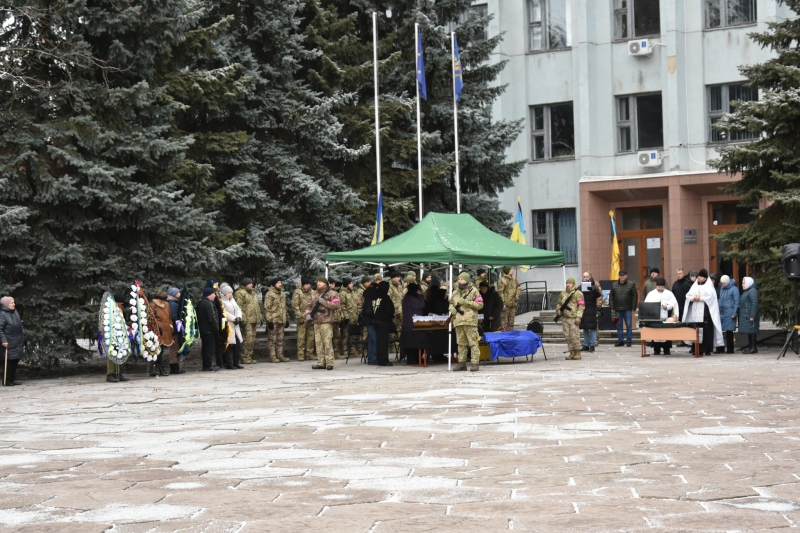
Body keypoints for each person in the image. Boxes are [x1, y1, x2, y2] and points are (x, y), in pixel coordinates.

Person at [683, 269, 723, 356]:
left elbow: (711, 298)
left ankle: (707, 349)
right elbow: (688, 295)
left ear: (705, 278)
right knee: (696, 330)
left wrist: (700, 298)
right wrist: (694, 298)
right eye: (699, 276)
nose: (699, 278)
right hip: (696, 313)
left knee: (706, 331)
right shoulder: (695, 285)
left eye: (701, 277)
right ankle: (696, 348)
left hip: (705, 312)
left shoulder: (709, 286)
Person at [449, 273, 484, 372]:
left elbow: (480, 304)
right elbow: (451, 303)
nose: (460, 281)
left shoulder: (474, 291)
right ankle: (462, 363)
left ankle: (475, 363)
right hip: (458, 321)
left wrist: (466, 303)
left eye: (462, 279)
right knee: (461, 344)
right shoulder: (455, 291)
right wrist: (451, 308)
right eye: (459, 279)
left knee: (473, 343)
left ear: (467, 280)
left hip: (470, 321)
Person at [305, 276, 340, 370]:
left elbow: (337, 305)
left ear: (325, 284)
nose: (318, 283)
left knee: (327, 342)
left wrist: (325, 303)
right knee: (318, 343)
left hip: (326, 322)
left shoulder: (332, 293)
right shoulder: (314, 294)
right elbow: (308, 306)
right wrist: (308, 314)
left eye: (320, 282)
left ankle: (329, 363)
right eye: (317, 281)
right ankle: (321, 362)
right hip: (316, 322)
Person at [644, 278, 679, 355]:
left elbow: (673, 304)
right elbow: (646, 304)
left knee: (666, 333)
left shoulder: (669, 294)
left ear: (664, 286)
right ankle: (656, 349)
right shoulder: (651, 294)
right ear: (656, 286)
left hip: (665, 316)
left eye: (661, 287)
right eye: (658, 287)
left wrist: (667, 307)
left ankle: (666, 349)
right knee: (656, 333)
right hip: (655, 317)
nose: (660, 288)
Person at [234, 278, 262, 364]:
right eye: (250, 284)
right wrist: (243, 319)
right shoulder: (240, 293)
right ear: (245, 284)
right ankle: (244, 357)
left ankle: (249, 356)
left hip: (254, 319)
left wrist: (260, 317)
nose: (252, 285)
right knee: (247, 339)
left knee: (252, 339)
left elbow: (257, 306)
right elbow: (239, 307)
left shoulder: (253, 293)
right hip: (247, 320)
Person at [556, 278, 585, 360]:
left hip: (573, 318)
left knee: (574, 335)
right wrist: (558, 310)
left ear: (573, 284)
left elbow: (581, 306)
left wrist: (578, 317)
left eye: (569, 283)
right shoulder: (563, 293)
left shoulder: (578, 293)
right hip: (565, 318)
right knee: (567, 336)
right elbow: (559, 303)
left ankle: (578, 352)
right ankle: (571, 352)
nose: (568, 284)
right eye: (567, 283)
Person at [0, 297, 25, 386]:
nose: (14, 304)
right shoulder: (2, 314)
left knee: (15, 360)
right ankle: (7, 380)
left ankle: (13, 379)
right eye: (11, 303)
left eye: (13, 302)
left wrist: (23, 333)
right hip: (8, 342)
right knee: (9, 362)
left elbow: (20, 324)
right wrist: (3, 340)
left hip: (17, 340)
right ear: (6, 304)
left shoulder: (15, 312)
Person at [370, 281, 395, 366]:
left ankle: (379, 359)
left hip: (375, 320)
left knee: (379, 341)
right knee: (383, 342)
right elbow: (390, 310)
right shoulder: (385, 297)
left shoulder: (374, 296)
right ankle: (383, 360)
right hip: (384, 321)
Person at [264, 278, 289, 363]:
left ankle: (280, 355)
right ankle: (272, 356)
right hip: (274, 320)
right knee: (272, 339)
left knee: (280, 339)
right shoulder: (270, 294)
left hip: (281, 320)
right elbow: (267, 308)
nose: (280, 284)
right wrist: (269, 320)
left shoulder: (282, 294)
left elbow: (285, 307)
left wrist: (287, 318)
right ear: (274, 284)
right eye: (278, 283)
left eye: (281, 282)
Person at [609, 270, 637, 347]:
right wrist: (612, 307)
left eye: (623, 275)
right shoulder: (614, 284)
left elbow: (635, 296)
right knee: (619, 325)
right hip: (617, 308)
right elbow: (611, 297)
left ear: (626, 276)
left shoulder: (631, 284)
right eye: (620, 275)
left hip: (627, 308)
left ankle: (629, 340)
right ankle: (620, 340)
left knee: (628, 325)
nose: (622, 277)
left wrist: (633, 307)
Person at [219, 283, 244, 369]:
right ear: (224, 293)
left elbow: (238, 309)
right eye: (229, 292)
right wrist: (234, 318)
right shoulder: (222, 301)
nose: (231, 294)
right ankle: (229, 364)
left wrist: (238, 317)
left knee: (238, 345)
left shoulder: (232, 300)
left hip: (236, 326)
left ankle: (236, 362)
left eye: (231, 292)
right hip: (228, 326)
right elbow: (224, 312)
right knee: (228, 345)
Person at [150, 291, 174, 377]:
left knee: (162, 350)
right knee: (157, 350)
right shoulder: (153, 305)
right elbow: (151, 317)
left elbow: (170, 316)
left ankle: (157, 368)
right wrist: (157, 326)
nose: (163, 302)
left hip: (166, 329)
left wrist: (170, 325)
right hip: (158, 330)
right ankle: (157, 368)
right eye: (162, 300)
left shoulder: (167, 305)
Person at [401, 283, 425, 365]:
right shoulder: (412, 298)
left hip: (408, 323)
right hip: (413, 324)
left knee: (410, 343)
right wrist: (421, 297)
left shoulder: (406, 297)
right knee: (414, 343)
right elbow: (421, 306)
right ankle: (414, 359)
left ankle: (413, 359)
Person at [291, 278, 315, 362]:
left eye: (309, 284)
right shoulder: (298, 292)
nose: (309, 285)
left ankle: (309, 354)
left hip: (311, 318)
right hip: (302, 318)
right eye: (307, 284)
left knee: (311, 337)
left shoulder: (312, 292)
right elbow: (295, 306)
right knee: (301, 337)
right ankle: (300, 354)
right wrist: (299, 317)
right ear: (303, 285)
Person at [196, 287, 219, 371]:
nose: (214, 296)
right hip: (209, 329)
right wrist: (216, 329)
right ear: (208, 295)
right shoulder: (208, 304)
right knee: (209, 348)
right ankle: (207, 365)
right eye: (213, 294)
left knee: (205, 347)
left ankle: (206, 364)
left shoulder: (201, 302)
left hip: (203, 329)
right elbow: (212, 318)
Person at [580, 272, 602, 353]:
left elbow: (598, 294)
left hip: (592, 309)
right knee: (585, 328)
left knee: (592, 328)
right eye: (584, 276)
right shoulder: (581, 286)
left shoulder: (594, 285)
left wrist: (592, 289)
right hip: (583, 310)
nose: (586, 278)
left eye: (587, 276)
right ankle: (586, 344)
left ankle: (592, 345)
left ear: (590, 277)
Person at [718, 275, 739, 354]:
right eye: (722, 283)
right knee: (721, 331)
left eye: (724, 283)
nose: (723, 285)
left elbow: (737, 302)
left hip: (729, 312)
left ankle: (730, 349)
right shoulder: (722, 289)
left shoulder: (734, 289)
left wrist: (734, 313)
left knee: (729, 331)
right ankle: (721, 348)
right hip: (722, 312)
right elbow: (720, 299)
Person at [166, 287, 185, 374]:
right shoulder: (173, 304)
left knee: (176, 347)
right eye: (178, 292)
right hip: (175, 328)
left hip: (176, 327)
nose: (180, 294)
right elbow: (174, 316)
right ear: (174, 294)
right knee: (174, 347)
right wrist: (180, 325)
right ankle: (174, 367)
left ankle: (176, 366)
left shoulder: (174, 302)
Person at [338, 278, 358, 359]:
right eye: (350, 283)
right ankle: (344, 350)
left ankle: (352, 351)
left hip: (353, 317)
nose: (352, 284)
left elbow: (356, 303)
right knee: (345, 335)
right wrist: (346, 317)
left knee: (352, 335)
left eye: (352, 283)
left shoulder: (353, 293)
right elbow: (342, 306)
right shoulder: (342, 293)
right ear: (346, 285)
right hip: (347, 318)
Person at [360, 280, 379, 365]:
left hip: (367, 320)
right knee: (375, 339)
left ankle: (371, 358)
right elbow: (369, 310)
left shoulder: (367, 296)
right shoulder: (371, 297)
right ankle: (373, 359)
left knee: (371, 340)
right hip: (370, 320)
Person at [739, 276, 760, 354]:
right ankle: (751, 347)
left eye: (743, 283)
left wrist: (752, 315)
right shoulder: (747, 291)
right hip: (747, 314)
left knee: (752, 331)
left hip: (750, 315)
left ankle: (753, 348)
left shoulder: (753, 291)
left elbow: (754, 304)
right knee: (749, 331)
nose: (742, 284)